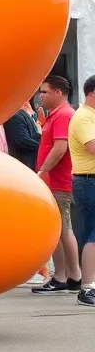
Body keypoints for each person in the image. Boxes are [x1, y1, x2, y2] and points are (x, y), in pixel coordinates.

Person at [34, 76, 81, 294]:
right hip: (56, 181)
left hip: (58, 181)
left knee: (61, 229)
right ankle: (69, 275)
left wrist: (42, 170)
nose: (40, 96)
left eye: (44, 92)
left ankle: (65, 276)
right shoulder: (57, 115)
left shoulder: (62, 115)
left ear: (58, 93)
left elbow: (60, 147)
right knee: (62, 229)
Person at [68, 76, 95, 307]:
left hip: (88, 180)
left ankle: (87, 285)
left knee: (89, 233)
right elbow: (92, 146)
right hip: (89, 181)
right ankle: (86, 288)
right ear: (92, 93)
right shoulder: (85, 117)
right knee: (92, 235)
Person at [4, 100, 41, 171]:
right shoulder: (15, 117)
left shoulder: (24, 114)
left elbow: (34, 134)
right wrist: (41, 146)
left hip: (30, 161)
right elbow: (22, 141)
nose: (28, 102)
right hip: (24, 163)